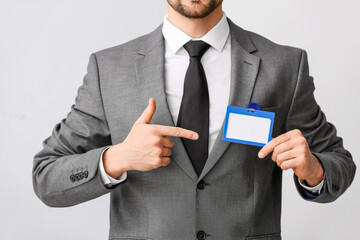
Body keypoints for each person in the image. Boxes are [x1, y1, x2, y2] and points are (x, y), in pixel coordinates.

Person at [33, 0, 356, 239]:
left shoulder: (284, 65)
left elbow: (339, 163)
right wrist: (116, 158)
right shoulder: (109, 68)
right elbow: (46, 178)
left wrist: (313, 170)